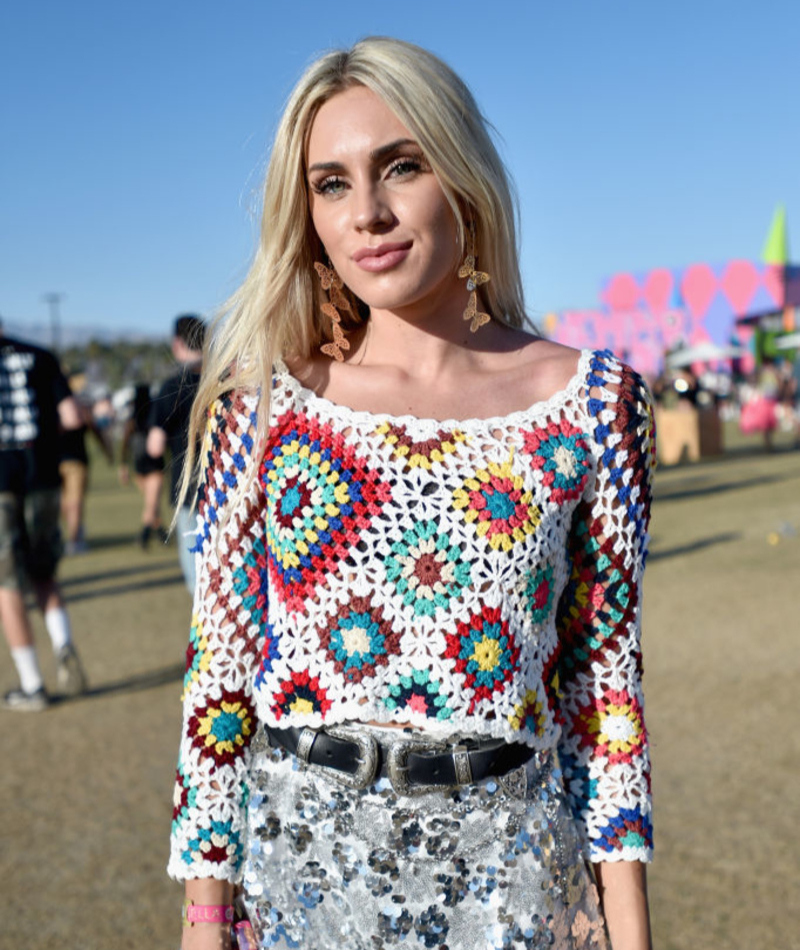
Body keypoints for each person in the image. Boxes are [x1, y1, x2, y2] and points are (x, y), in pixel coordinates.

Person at [168, 38, 655, 950]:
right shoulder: (263, 403)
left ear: (461, 175)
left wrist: (626, 926)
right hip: (303, 868)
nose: (371, 213)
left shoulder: (595, 403)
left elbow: (604, 682)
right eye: (332, 184)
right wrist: (204, 920)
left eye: (402, 165)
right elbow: (220, 683)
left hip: (512, 870)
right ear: (306, 213)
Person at [0, 324, 88, 710]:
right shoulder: (42, 356)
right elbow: (70, 417)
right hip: (44, 479)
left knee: (7, 585)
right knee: (44, 575)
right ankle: (62, 642)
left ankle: (33, 685)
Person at [146, 314, 205, 593]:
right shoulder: (227, 376)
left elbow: (154, 446)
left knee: (196, 573)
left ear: (177, 344)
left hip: (189, 491)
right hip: (230, 485)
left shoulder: (173, 386)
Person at [119, 382, 168, 547]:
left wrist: (123, 466)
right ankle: (146, 536)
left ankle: (161, 534)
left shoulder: (131, 422)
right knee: (151, 504)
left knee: (151, 503)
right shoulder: (155, 419)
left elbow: (125, 445)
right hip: (154, 466)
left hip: (139, 467)